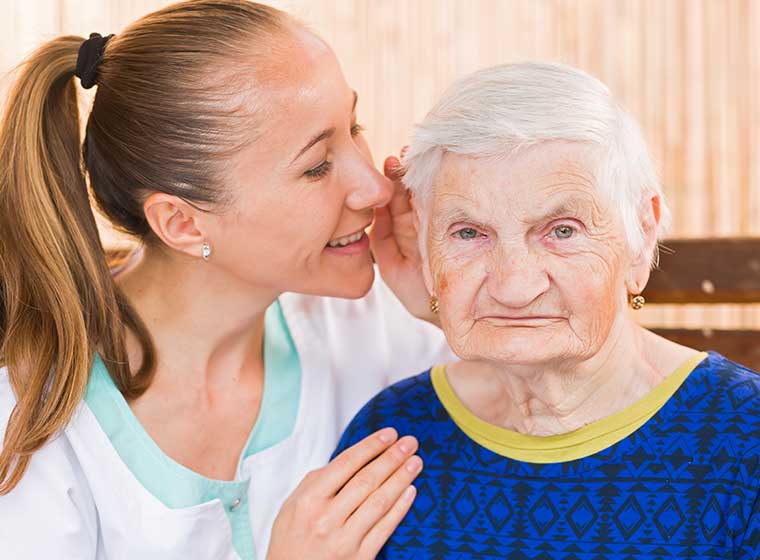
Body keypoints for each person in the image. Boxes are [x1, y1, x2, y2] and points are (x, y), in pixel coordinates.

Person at [0, 1, 452, 558]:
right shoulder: (28, 425)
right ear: (183, 223)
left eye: (352, 127)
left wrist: (444, 309)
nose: (375, 188)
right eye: (316, 166)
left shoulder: (372, 321)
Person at [335, 61, 760, 558]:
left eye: (562, 231)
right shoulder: (392, 433)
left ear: (641, 234)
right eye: (469, 233)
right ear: (424, 241)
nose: (514, 286)